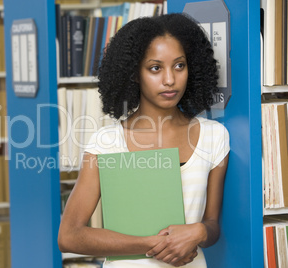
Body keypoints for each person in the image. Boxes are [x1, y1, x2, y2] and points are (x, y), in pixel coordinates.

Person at [58, 13, 230, 267]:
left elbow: (212, 225)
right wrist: (153, 244)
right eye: (155, 68)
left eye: (179, 65)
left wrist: (200, 232)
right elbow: (69, 236)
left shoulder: (213, 136)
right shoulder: (107, 142)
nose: (169, 79)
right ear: (135, 74)